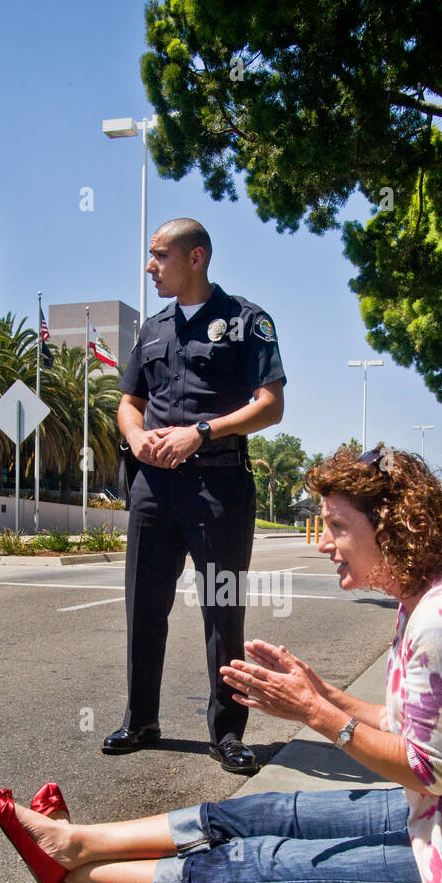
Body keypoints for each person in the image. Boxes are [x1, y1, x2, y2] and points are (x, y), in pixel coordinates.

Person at [0, 447, 442, 883]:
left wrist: (314, 714)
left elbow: (425, 769)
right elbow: (407, 721)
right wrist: (324, 692)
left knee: (266, 863)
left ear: (387, 526)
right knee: (267, 812)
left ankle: (72, 869)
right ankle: (78, 841)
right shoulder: (435, 595)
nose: (324, 543)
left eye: (337, 526)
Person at [102, 217, 286, 774]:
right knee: (143, 605)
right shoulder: (152, 329)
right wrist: (135, 438)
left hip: (219, 486)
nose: (150, 266)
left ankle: (227, 734)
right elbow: (128, 400)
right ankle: (141, 720)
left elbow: (271, 405)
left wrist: (200, 432)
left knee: (221, 611)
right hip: (154, 488)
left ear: (197, 257)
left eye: (160, 255)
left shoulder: (247, 322)